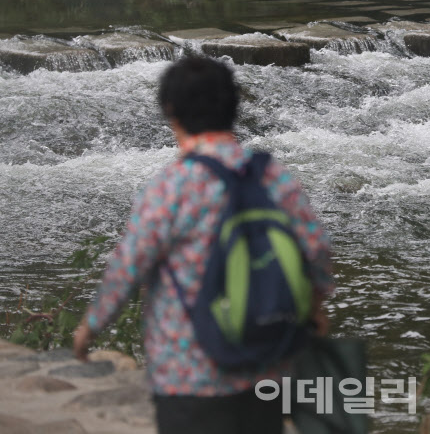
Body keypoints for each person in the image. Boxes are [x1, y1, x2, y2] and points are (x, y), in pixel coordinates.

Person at [73, 56, 334, 434]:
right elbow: (316, 251)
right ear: (234, 107)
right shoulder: (271, 176)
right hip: (266, 366)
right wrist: (315, 308)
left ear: (170, 111)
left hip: (188, 372)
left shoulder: (172, 186)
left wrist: (90, 328)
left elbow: (129, 266)